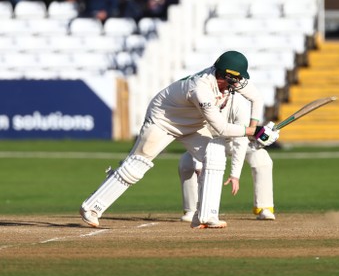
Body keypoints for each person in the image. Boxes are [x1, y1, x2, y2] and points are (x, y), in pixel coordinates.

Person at [79, 50, 280, 228]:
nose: (238, 84)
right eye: (235, 80)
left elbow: (257, 98)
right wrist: (255, 132)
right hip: (164, 120)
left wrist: (254, 127)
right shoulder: (200, 89)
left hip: (193, 125)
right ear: (225, 76)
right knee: (137, 165)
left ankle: (206, 215)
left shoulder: (229, 80)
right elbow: (220, 127)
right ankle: (91, 208)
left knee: (215, 153)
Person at [178, 92, 276, 223]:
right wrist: (199, 163)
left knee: (262, 159)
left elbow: (240, 141)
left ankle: (264, 208)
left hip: (234, 140)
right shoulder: (200, 102)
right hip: (208, 142)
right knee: (186, 163)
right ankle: (191, 210)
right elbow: (195, 134)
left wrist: (235, 175)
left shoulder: (239, 104)